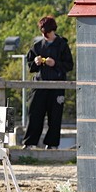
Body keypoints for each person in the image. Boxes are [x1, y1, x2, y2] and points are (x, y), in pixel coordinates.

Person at [23, 16, 74, 149]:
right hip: (39, 85)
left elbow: (69, 65)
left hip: (57, 86)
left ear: (53, 30)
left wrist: (55, 63)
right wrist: (35, 62)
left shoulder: (62, 45)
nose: (46, 36)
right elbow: (30, 65)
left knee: (55, 116)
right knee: (35, 113)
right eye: (43, 33)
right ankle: (30, 143)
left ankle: (52, 144)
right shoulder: (37, 46)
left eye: (48, 33)